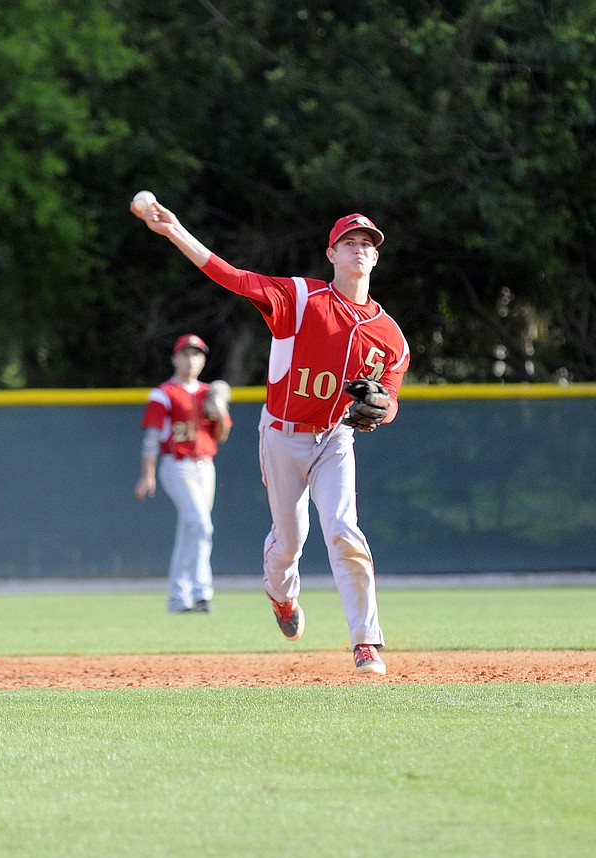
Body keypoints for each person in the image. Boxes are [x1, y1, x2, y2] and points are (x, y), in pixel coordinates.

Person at [131, 201, 409, 675]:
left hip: (336, 440)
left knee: (344, 532)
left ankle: (366, 642)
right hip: (281, 436)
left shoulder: (390, 337)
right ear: (332, 254)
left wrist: (383, 409)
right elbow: (231, 276)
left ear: (376, 258)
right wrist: (176, 230)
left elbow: (391, 399)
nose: (359, 250)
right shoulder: (300, 300)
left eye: (367, 245)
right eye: (350, 243)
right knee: (289, 541)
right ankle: (282, 598)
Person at [135, 333, 232, 613]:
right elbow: (152, 438)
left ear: (203, 360)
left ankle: (184, 597)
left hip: (205, 466)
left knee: (192, 530)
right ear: (175, 358)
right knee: (201, 525)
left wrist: (220, 411)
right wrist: (148, 474)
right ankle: (200, 590)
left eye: (197, 354)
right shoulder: (163, 393)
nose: (192, 359)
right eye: (186, 353)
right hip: (177, 466)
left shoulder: (206, 393)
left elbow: (221, 436)